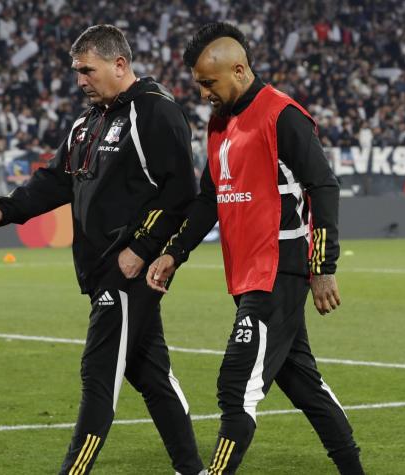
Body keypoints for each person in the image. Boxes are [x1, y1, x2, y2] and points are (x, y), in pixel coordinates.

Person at [0, 25, 205, 475]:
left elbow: (179, 193)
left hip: (128, 271)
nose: (80, 80)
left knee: (98, 377)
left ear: (119, 65)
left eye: (87, 70)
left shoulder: (155, 112)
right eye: (77, 71)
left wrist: (142, 247)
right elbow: (56, 179)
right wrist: (4, 210)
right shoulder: (88, 122)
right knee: (151, 376)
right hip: (99, 268)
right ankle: (192, 470)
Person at [146, 22, 365, 475]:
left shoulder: (282, 115)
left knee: (235, 385)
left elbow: (323, 186)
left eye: (210, 82)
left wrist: (323, 265)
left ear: (240, 70)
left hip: (278, 269)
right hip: (248, 272)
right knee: (302, 382)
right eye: (199, 84)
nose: (204, 92)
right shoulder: (221, 122)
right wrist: (174, 252)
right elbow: (210, 199)